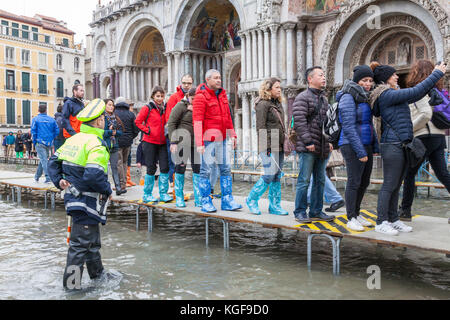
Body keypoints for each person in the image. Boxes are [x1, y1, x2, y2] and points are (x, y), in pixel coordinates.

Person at [369, 61, 446, 235]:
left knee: (396, 184)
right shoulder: (385, 94)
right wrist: (436, 73)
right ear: (385, 79)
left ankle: (394, 219)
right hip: (392, 144)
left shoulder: (393, 93)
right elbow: (415, 92)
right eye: (393, 74)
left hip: (401, 144)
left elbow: (417, 94)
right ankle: (381, 221)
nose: (397, 76)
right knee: (389, 184)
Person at [48, 99, 113, 290]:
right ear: (99, 121)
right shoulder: (97, 144)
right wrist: (107, 190)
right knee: (78, 247)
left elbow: (52, 162)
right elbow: (93, 175)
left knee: (91, 242)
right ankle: (72, 288)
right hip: (86, 202)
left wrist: (59, 180)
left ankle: (98, 276)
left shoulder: (73, 139)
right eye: (103, 118)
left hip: (74, 200)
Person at [399, 60, 450, 221]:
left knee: (409, 174)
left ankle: (405, 211)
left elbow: (425, 115)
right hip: (439, 137)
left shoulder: (418, 91)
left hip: (422, 137)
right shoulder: (438, 91)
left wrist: (408, 130)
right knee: (443, 174)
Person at [336, 65, 379, 231]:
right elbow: (348, 126)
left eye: (370, 80)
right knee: (354, 181)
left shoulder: (364, 97)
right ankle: (350, 217)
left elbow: (369, 124)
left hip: (365, 143)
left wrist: (374, 145)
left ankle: (357, 213)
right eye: (364, 80)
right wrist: (360, 150)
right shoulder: (348, 96)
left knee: (364, 181)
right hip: (351, 144)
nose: (368, 83)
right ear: (357, 81)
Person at [193, 69, 242, 213]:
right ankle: (205, 201)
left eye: (220, 77)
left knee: (225, 168)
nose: (219, 80)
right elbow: (197, 121)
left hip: (222, 138)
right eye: (215, 78)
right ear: (207, 80)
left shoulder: (222, 95)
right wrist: (199, 143)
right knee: (206, 171)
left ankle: (227, 200)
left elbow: (227, 117)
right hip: (208, 140)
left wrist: (232, 135)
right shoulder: (200, 97)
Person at [292, 66, 335, 223]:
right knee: (304, 180)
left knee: (320, 180)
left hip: (322, 146)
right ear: (310, 79)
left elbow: (328, 123)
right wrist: (308, 141)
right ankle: (300, 212)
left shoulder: (323, 99)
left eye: (324, 75)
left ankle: (316, 211)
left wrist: (329, 141)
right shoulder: (302, 97)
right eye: (320, 75)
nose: (324, 78)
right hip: (308, 147)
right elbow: (300, 121)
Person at [246, 77, 288, 215]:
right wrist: (266, 147)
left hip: (279, 144)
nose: (279, 90)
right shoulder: (262, 104)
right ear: (269, 89)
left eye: (280, 87)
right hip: (268, 145)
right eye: (277, 87)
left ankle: (274, 206)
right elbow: (260, 127)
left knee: (277, 175)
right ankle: (251, 199)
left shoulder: (278, 104)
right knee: (269, 174)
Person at [135, 86, 173, 203]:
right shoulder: (147, 108)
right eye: (157, 96)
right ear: (153, 96)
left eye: (162, 96)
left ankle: (163, 193)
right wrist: (148, 130)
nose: (160, 98)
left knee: (165, 167)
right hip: (149, 142)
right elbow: (137, 122)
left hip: (162, 142)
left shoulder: (164, 108)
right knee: (151, 167)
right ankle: (147, 194)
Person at [168, 87, 201, 208]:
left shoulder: (199, 106)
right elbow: (171, 123)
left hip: (195, 144)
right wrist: (173, 141)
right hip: (182, 143)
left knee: (197, 169)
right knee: (180, 169)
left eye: (197, 99)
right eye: (193, 99)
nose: (194, 101)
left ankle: (198, 197)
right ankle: (179, 197)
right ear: (188, 96)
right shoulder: (180, 106)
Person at [165, 74, 194, 188]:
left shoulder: (195, 97)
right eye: (184, 83)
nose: (186, 85)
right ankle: (172, 188)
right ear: (181, 83)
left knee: (192, 164)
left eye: (189, 83)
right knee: (174, 163)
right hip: (176, 136)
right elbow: (169, 119)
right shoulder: (174, 97)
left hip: (190, 138)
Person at [114, 97, 139, 192]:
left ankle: (121, 184)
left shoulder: (114, 114)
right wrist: (130, 137)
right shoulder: (131, 114)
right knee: (124, 162)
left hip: (117, 141)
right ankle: (124, 183)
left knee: (119, 163)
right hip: (128, 142)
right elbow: (136, 129)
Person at [31, 104, 59, 183]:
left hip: (39, 142)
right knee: (43, 159)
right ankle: (37, 176)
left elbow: (33, 132)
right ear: (46, 110)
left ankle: (48, 178)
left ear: (38, 110)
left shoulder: (35, 119)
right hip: (48, 143)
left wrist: (34, 142)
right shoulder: (52, 120)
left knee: (44, 160)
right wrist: (51, 138)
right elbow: (57, 131)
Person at [103, 99, 125, 196]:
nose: (111, 107)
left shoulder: (116, 118)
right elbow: (101, 132)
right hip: (105, 146)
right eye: (109, 105)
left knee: (114, 167)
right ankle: (104, 188)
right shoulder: (102, 118)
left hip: (115, 145)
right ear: (104, 106)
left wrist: (115, 132)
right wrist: (110, 132)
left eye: (112, 105)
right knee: (104, 168)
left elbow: (121, 132)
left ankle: (118, 187)